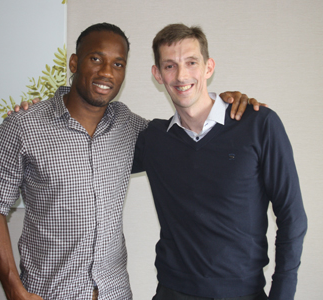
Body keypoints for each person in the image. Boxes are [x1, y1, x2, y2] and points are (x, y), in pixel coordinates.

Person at [0, 23, 261, 300]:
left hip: (115, 292)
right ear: (74, 62)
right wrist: (14, 289)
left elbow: (190, 134)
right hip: (48, 292)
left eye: (118, 64)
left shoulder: (130, 127)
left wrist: (228, 103)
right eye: (96, 58)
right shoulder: (24, 126)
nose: (106, 72)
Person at [132, 24, 307, 300]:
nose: (181, 75)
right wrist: (39, 115)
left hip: (242, 293)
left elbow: (292, 217)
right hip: (171, 292)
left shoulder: (259, 124)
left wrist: (282, 295)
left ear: (208, 68)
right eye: (169, 66)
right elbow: (91, 153)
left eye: (191, 62)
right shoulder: (154, 139)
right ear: (157, 75)